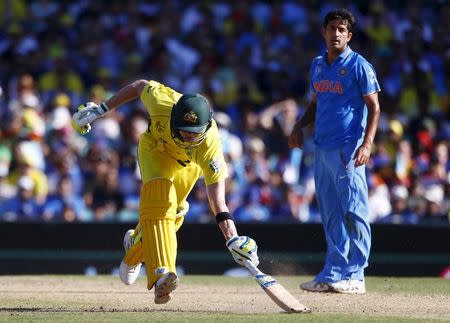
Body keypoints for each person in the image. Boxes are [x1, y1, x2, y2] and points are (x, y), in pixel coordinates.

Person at [71, 79, 259, 304]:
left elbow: (219, 204)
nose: (188, 137)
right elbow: (139, 85)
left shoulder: (211, 147)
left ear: (206, 127)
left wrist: (233, 238)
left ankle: (135, 250)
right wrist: (102, 109)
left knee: (176, 213)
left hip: (187, 166)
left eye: (194, 133)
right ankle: (162, 275)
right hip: (154, 150)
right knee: (161, 202)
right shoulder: (162, 102)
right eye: (183, 131)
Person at [288, 9, 381, 294]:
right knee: (330, 213)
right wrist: (298, 126)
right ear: (324, 32)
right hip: (321, 146)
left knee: (353, 210)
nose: (336, 33)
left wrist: (366, 144)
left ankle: (357, 275)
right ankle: (333, 272)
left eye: (342, 29)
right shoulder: (318, 65)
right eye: (332, 28)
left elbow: (374, 107)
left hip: (348, 149)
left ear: (349, 35)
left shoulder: (359, 65)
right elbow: (315, 105)